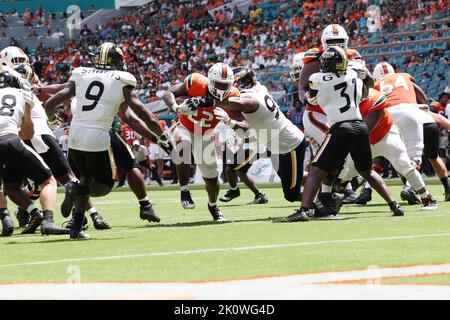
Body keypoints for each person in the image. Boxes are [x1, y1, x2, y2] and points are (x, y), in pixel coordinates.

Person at [44, 42, 170, 239]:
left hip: (74, 135)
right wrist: (161, 136)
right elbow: (144, 115)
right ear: (116, 61)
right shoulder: (122, 80)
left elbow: (51, 103)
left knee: (85, 178)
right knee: (103, 186)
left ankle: (76, 228)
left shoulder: (81, 73)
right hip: (99, 135)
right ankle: (75, 189)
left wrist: (52, 120)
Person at [282, 47, 404, 222]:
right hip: (360, 127)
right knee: (367, 171)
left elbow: (310, 100)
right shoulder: (354, 76)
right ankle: (394, 205)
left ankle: (304, 210)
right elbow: (365, 91)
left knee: (315, 170)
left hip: (340, 128)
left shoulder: (317, 78)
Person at [186, 66, 306, 205]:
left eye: (232, 83)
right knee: (290, 181)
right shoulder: (260, 88)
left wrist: (208, 102)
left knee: (291, 194)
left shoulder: (252, 98)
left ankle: (323, 192)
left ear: (241, 82)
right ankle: (325, 184)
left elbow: (243, 105)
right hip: (276, 144)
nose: (229, 87)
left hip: (289, 144)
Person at [162, 63, 239, 221]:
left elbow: (241, 118)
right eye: (219, 84)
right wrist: (176, 107)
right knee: (183, 145)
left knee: (212, 178)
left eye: (225, 85)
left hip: (206, 135)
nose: (222, 88)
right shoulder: (196, 82)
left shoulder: (233, 94)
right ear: (210, 81)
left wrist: (228, 119)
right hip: (185, 126)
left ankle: (213, 206)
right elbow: (169, 93)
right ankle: (184, 190)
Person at [372, 62, 450, 202]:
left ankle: (409, 187)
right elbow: (423, 99)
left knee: (401, 156)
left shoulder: (377, 84)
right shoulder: (404, 77)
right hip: (423, 119)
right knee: (433, 157)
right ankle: (447, 188)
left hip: (393, 116)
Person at [0, 70, 62, 235]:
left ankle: (8, 218)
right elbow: (28, 133)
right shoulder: (22, 94)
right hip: (10, 140)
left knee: (6, 185)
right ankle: (48, 220)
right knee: (48, 180)